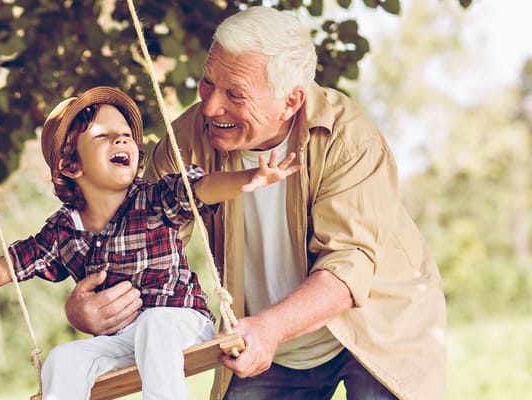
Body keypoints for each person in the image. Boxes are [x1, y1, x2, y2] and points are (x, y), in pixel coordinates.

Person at [63, 7, 446, 400]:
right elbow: (133, 239)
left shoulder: (349, 139)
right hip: (268, 340)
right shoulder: (188, 140)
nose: (211, 108)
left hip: (374, 329)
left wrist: (269, 328)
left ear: (291, 101)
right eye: (208, 83)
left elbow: (348, 266)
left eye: (235, 94)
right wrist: (90, 307)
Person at [0, 86, 301, 399]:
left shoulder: (154, 198)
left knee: (155, 326)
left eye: (125, 135)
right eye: (103, 137)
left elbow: (205, 187)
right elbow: (4, 267)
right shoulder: (63, 232)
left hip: (179, 324)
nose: (122, 141)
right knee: (64, 359)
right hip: (122, 339)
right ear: (70, 165)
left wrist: (251, 179)